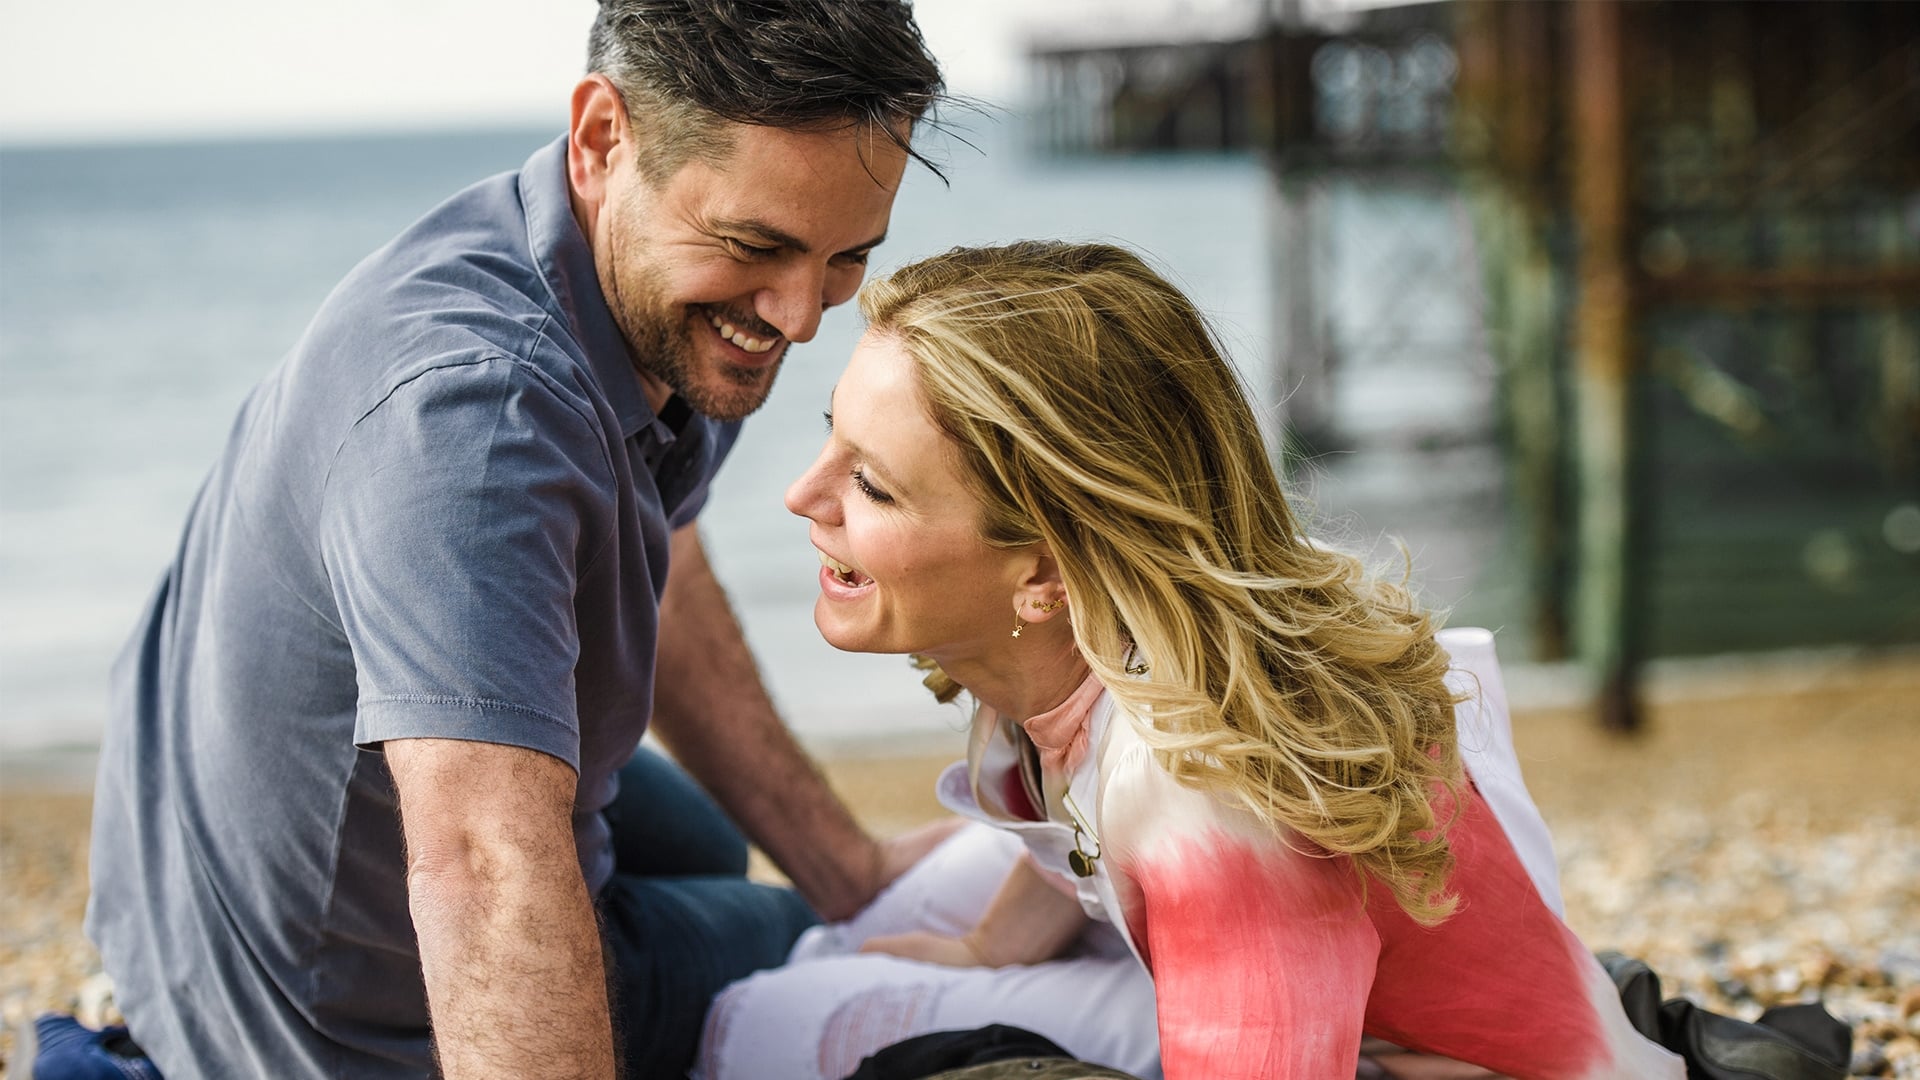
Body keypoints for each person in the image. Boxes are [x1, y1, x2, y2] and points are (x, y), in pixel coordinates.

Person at [83, 4, 951, 1078]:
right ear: (602, 138)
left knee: (711, 845)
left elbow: (661, 566)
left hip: (232, 850)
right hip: (315, 1022)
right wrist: (842, 920)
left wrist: (852, 871)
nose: (799, 315)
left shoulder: (628, 286)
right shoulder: (476, 420)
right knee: (791, 942)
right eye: (753, 246)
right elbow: (483, 864)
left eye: (847, 257)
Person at [696, 241, 1689, 1079]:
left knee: (750, 1023)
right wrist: (989, 951)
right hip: (1272, 956)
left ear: (1045, 571)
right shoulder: (1078, 638)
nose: (801, 495)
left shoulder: (1206, 795)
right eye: (831, 438)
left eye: (872, 486)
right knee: (844, 943)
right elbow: (1077, 821)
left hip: (1424, 1056)